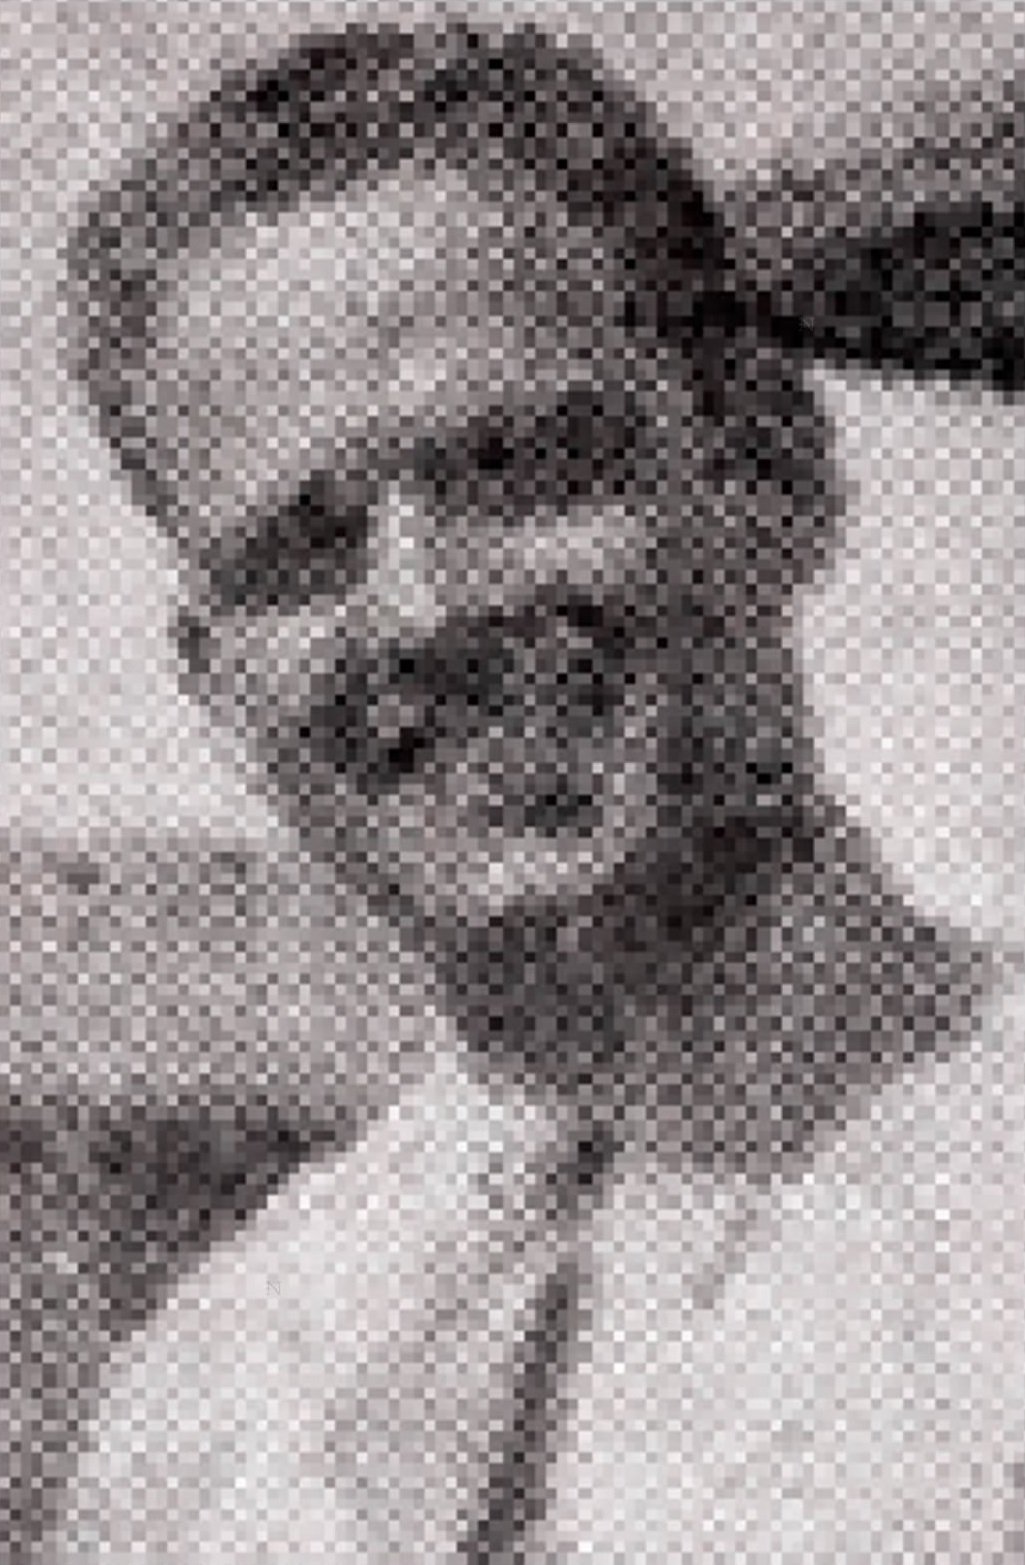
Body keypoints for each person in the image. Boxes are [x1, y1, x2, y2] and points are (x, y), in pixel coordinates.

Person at [41, 14, 1025, 1562]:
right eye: (301, 548)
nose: (421, 608)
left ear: (772, 470)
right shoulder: (214, 1414)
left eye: (514, 465)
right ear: (219, 681)